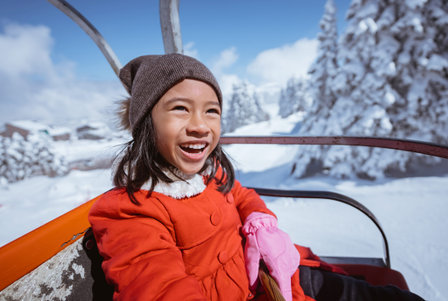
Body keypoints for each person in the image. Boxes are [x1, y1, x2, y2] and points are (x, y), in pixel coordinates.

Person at [88, 53, 424, 301]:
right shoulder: (131, 210)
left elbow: (241, 194)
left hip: (280, 277)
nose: (200, 125)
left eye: (211, 111)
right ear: (146, 122)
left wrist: (259, 222)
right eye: (180, 108)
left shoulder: (209, 174)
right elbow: (159, 288)